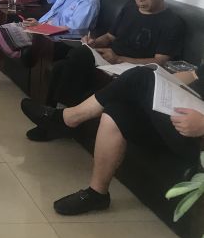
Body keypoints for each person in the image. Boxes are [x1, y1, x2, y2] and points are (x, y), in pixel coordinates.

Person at [21, 64, 204, 215]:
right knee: (117, 111)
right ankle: (97, 193)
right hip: (186, 111)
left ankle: (67, 119)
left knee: (139, 77)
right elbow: (193, 76)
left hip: (198, 136)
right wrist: (163, 81)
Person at [28, 0, 185, 141]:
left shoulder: (172, 23)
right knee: (75, 57)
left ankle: (55, 122)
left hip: (132, 71)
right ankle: (56, 120)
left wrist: (119, 59)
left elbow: (160, 61)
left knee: (64, 67)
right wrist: (94, 42)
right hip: (109, 59)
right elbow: (110, 36)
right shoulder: (130, 7)